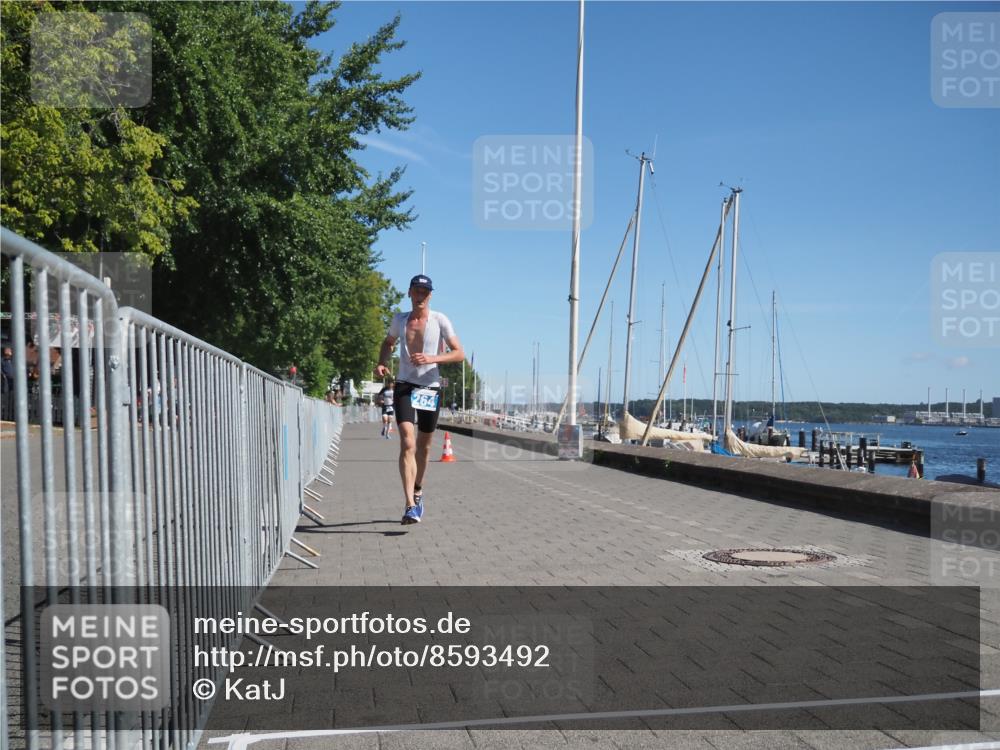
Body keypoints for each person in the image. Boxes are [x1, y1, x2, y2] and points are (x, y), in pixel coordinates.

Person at [375, 274, 464, 525]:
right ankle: (409, 505)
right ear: (410, 293)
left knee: (424, 445)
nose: (421, 296)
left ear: (430, 295)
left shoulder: (440, 320)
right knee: (407, 442)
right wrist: (382, 362)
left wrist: (432, 358)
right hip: (404, 384)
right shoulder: (400, 319)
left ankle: (418, 489)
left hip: (429, 387)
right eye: (417, 291)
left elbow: (459, 353)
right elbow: (388, 342)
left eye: (425, 292)